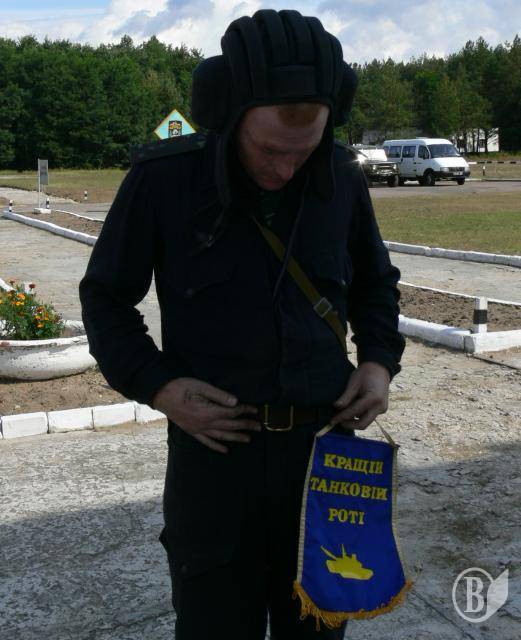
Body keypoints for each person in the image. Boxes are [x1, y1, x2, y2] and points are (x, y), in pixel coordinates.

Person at [79, 9, 405, 639]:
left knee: (319, 627)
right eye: (270, 151)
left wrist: (378, 362)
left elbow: (374, 283)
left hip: (322, 456)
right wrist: (160, 387)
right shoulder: (164, 180)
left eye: (302, 152)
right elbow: (105, 299)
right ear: (227, 116)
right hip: (215, 463)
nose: (286, 170)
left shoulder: (339, 175)